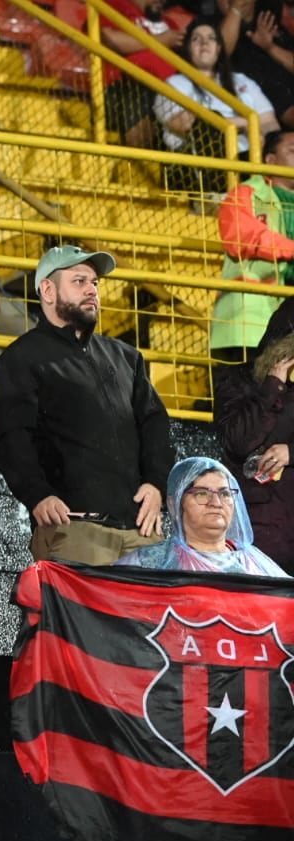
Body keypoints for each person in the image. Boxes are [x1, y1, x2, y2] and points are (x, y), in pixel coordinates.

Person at [0, 245, 173, 564]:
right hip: (74, 533)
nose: (91, 290)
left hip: (142, 535)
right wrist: (38, 495)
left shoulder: (127, 357)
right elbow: (11, 438)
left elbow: (155, 426)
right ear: (47, 289)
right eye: (78, 281)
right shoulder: (19, 360)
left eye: (95, 283)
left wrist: (156, 485)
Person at [213, 300, 294, 570]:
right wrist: (274, 385)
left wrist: (290, 453)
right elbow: (239, 440)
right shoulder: (237, 380)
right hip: (255, 536)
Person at [153, 18, 278, 193]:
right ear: (188, 49)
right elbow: (182, 124)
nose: (204, 42)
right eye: (196, 39)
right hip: (195, 164)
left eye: (211, 38)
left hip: (246, 159)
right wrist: (244, 123)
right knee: (208, 123)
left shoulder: (242, 81)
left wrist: (269, 139)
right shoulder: (174, 84)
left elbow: (270, 124)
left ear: (219, 48)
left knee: (284, 144)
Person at [117, 456, 289, 575]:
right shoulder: (149, 564)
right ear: (174, 504)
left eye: (225, 494)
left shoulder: (255, 564)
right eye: (202, 494)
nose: (216, 502)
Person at [212, 129, 294, 374]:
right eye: (292, 151)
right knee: (244, 405)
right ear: (270, 160)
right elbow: (240, 237)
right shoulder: (247, 193)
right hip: (249, 322)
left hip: (287, 327)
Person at [100, 0, 188, 149]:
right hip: (126, 86)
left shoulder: (170, 24)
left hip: (169, 90)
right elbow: (110, 40)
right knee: (136, 91)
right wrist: (160, 40)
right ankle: (140, 164)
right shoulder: (116, 6)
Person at [221, 0, 294, 130]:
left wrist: (270, 48)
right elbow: (218, 53)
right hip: (268, 121)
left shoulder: (269, 21)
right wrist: (236, 9)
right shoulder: (211, 25)